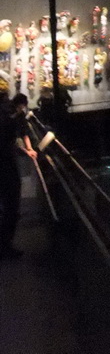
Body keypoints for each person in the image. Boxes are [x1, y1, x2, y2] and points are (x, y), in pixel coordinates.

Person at [0, 92, 37, 258]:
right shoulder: (9, 117)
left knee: (8, 205)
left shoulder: (8, 115)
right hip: (6, 164)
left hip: (6, 161)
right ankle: (5, 246)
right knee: (11, 203)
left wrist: (26, 149)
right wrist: (26, 150)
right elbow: (11, 140)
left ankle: (5, 244)